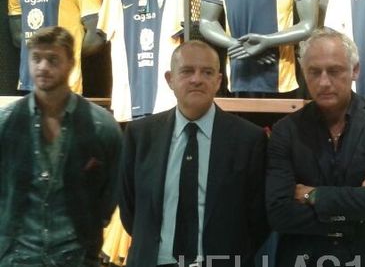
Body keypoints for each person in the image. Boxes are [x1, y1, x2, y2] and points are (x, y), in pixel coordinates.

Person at [266, 28, 365, 267]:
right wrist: (360, 202)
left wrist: (313, 195)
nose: (324, 82)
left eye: (334, 71)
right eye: (314, 72)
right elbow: (279, 214)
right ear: (303, 72)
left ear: (355, 70)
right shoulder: (285, 131)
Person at [119, 40, 268, 267]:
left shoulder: (249, 140)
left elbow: (259, 219)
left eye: (207, 72)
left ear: (218, 81)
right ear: (170, 79)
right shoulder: (140, 135)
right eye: (187, 71)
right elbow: (130, 209)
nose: (196, 79)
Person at [0, 26, 122, 266]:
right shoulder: (7, 122)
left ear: (71, 63)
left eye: (53, 59)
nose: (43, 67)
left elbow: (112, 191)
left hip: (77, 256)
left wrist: (89, 228)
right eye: (36, 58)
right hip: (17, 256)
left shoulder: (101, 126)